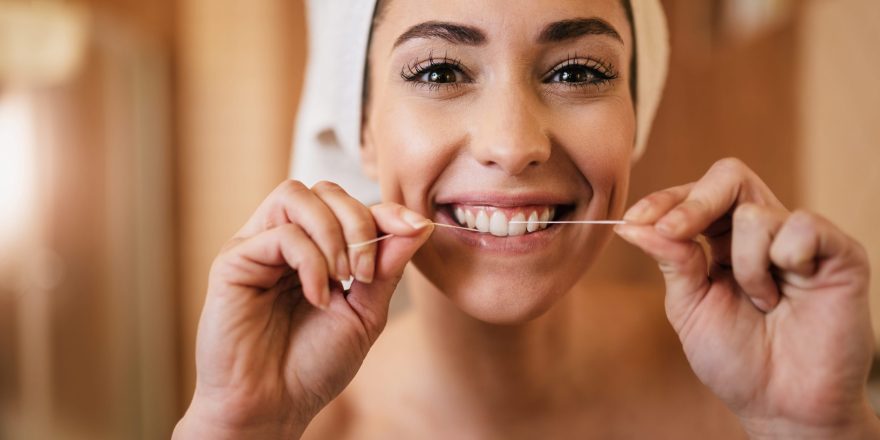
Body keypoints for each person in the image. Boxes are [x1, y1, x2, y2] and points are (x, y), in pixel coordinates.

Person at [173, 0, 880, 438]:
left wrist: (813, 430)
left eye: (577, 72)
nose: (514, 146)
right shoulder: (296, 426)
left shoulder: (742, 391)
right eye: (440, 72)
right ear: (359, 126)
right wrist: (236, 430)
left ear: (636, 110)